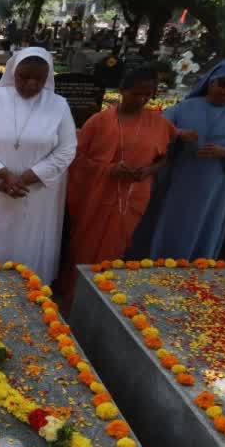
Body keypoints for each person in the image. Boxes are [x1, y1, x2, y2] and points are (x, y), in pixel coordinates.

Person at [0, 47, 77, 281]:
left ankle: (27, 293)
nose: (31, 84)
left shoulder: (59, 105)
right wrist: (4, 175)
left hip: (35, 191)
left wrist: (27, 177)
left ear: (47, 77)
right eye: (24, 77)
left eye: (38, 79)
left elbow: (67, 149)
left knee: (26, 243)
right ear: (12, 73)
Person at [61, 66, 176, 296]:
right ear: (123, 91)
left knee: (117, 245)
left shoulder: (159, 123)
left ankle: (104, 296)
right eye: (137, 93)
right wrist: (108, 170)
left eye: (148, 94)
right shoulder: (100, 121)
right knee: (85, 247)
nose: (142, 99)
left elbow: (166, 158)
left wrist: (148, 171)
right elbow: (76, 158)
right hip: (96, 197)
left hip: (133, 196)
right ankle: (76, 294)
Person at [145, 58, 225, 260]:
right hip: (182, 178)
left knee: (206, 224)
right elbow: (158, 127)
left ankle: (196, 267)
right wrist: (179, 133)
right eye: (223, 83)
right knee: (174, 223)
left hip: (215, 184)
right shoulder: (186, 107)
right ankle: (162, 263)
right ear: (211, 81)